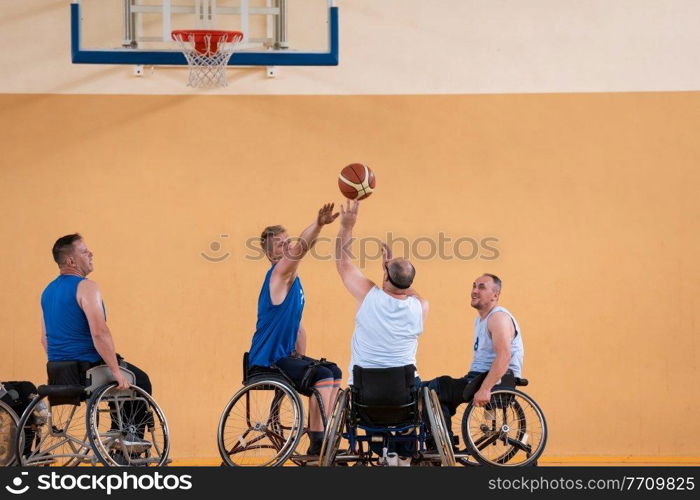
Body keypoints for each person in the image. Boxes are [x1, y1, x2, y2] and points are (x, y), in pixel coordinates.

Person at [335, 200, 429, 465]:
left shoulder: (369, 296)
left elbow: (343, 263)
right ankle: (403, 453)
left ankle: (384, 451)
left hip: (365, 396)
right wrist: (394, 273)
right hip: (403, 398)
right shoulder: (419, 308)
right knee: (427, 391)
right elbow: (410, 290)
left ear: (385, 278)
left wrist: (347, 226)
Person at [40, 233, 152, 448]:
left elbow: (44, 339)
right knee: (139, 380)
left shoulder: (47, 292)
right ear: (71, 261)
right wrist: (117, 372)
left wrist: (63, 363)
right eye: (84, 251)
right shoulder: (87, 287)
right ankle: (129, 438)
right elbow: (100, 332)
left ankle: (116, 431)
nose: (91, 253)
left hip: (58, 371)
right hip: (89, 369)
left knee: (117, 375)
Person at [248, 203, 342, 456]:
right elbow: (301, 247)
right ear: (271, 255)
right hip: (267, 361)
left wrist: (300, 356)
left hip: (283, 357)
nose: (288, 245)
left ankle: (320, 432)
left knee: (332, 370)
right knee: (321, 375)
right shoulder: (278, 274)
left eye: (287, 240)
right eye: (281, 244)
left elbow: (297, 326)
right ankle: (318, 443)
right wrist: (320, 224)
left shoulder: (293, 283)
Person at [428, 273, 524, 438]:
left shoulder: (498, 318)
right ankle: (439, 444)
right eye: (474, 286)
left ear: (495, 295)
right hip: (477, 377)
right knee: (428, 390)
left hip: (495, 380)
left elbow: (504, 356)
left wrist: (485, 389)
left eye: (481, 287)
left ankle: (443, 445)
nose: (474, 291)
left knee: (434, 388)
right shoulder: (481, 320)